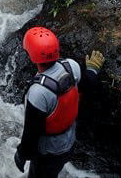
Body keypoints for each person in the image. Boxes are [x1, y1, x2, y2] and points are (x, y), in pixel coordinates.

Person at [15, 26, 105, 178]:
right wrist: (92, 69)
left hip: (48, 152)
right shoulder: (71, 66)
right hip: (69, 141)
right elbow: (88, 85)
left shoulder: (38, 93)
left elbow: (32, 133)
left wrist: (21, 154)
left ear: (31, 55)